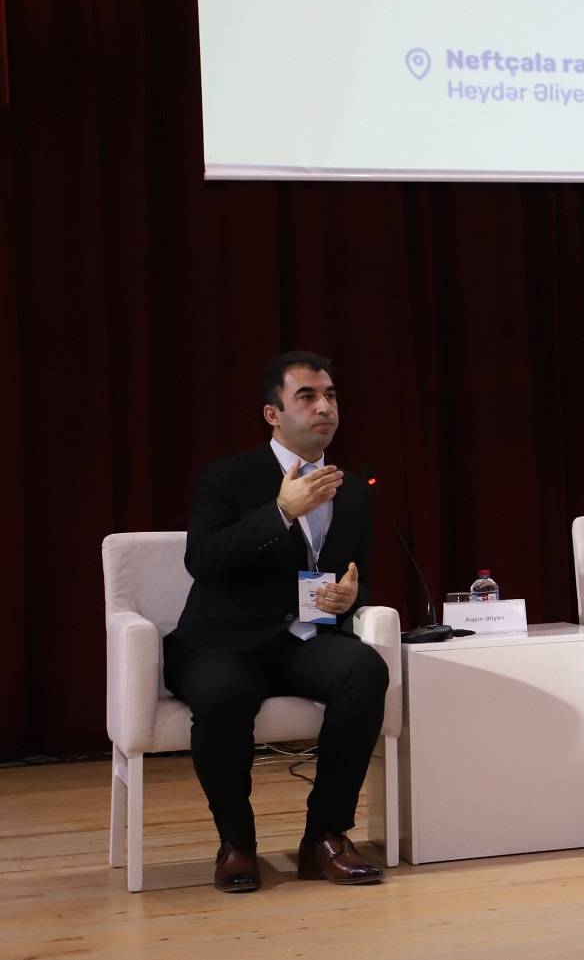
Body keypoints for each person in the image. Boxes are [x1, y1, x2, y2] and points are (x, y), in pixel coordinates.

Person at [167, 351, 389, 892]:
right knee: (222, 694)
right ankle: (237, 844)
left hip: (304, 640)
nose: (324, 407)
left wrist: (349, 597)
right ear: (273, 414)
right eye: (306, 397)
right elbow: (203, 560)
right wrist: (281, 512)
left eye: (330, 395)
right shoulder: (228, 477)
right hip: (225, 642)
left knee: (364, 668)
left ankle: (325, 837)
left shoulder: (352, 490)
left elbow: (357, 576)